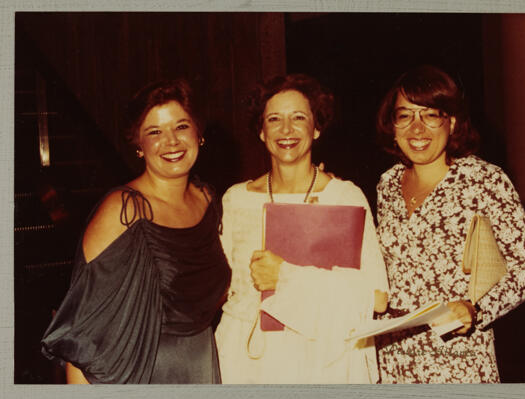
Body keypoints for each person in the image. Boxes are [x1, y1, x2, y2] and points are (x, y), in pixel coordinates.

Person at [41, 79, 231, 384]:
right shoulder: (124, 211)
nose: (171, 141)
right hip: (143, 374)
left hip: (201, 364)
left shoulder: (208, 199)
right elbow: (84, 332)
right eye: (154, 132)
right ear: (139, 145)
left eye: (181, 126)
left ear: (199, 133)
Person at [214, 73, 389, 383]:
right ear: (261, 132)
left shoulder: (344, 196)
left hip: (322, 355)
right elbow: (220, 287)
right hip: (247, 357)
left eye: (298, 117)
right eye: (274, 119)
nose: (286, 130)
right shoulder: (236, 199)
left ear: (316, 127)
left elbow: (377, 296)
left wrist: (286, 277)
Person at [374, 65, 525, 383]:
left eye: (431, 115)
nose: (417, 129)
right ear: (392, 125)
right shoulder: (387, 184)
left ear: (452, 122)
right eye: (405, 115)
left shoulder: (483, 179)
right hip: (392, 359)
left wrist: (476, 310)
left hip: (458, 359)